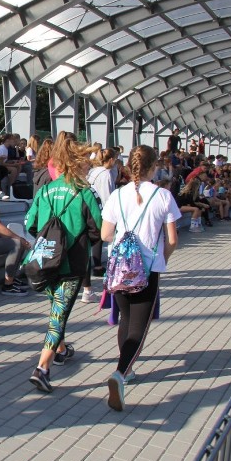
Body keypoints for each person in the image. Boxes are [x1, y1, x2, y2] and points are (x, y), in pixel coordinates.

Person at [100, 145, 180, 411]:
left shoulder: (117, 195)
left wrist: (126, 240)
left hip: (120, 269)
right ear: (154, 166)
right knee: (139, 326)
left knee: (125, 319)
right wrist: (162, 258)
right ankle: (120, 374)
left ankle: (127, 369)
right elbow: (171, 240)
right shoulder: (163, 196)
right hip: (148, 270)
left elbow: (105, 235)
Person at [25, 136, 102, 394]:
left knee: (57, 308)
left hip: (46, 261)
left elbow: (30, 224)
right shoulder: (84, 191)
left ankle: (60, 349)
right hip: (72, 262)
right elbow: (98, 229)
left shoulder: (45, 189)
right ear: (77, 162)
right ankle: (42, 369)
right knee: (58, 315)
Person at [87, 148, 117, 277]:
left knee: (95, 238)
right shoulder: (105, 174)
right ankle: (98, 266)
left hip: (90, 207)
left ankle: (95, 265)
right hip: (100, 208)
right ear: (110, 160)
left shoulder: (93, 171)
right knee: (100, 238)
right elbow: (106, 195)